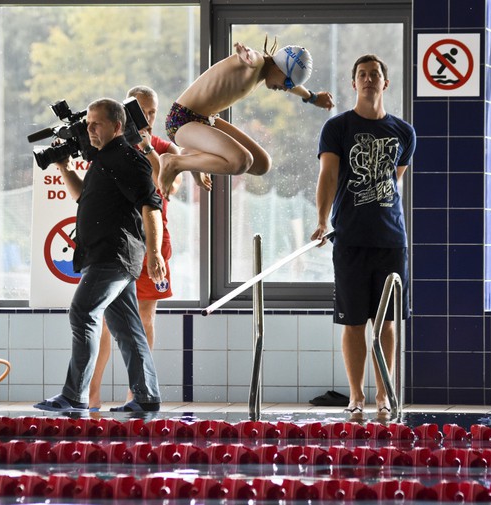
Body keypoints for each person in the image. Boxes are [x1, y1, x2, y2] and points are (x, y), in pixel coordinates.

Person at [34, 98, 165, 413]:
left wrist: (156, 252)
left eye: (96, 124)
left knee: (83, 313)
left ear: (117, 127)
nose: (88, 130)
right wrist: (65, 168)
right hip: (105, 254)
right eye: (88, 123)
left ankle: (74, 394)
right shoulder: (103, 160)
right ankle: (146, 396)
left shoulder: (127, 159)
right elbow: (83, 195)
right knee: (128, 328)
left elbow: (152, 205)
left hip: (114, 256)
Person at [311, 54, 416, 416]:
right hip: (350, 238)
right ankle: (356, 395)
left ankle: (383, 395)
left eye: (375, 74)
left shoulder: (404, 132)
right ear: (353, 83)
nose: (368, 79)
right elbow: (328, 176)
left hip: (390, 240)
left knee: (386, 322)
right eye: (362, 75)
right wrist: (322, 220)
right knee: (354, 321)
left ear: (385, 83)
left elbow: (392, 180)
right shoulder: (338, 128)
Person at [87, 85, 192, 411]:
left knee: (145, 317)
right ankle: (91, 393)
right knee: (103, 318)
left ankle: (137, 393)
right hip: (117, 242)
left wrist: (149, 149)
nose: (145, 118)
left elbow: (167, 185)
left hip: (151, 242)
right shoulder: (110, 149)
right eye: (139, 111)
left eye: (150, 112)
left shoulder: (162, 147)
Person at [158, 37, 334, 197]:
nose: (286, 88)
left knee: (262, 164)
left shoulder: (270, 71)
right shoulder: (255, 64)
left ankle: (191, 154)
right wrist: (246, 54)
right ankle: (174, 162)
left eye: (291, 85)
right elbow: (254, 58)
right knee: (241, 161)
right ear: (278, 66)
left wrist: (313, 98)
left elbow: (293, 84)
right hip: (182, 121)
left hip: (205, 120)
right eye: (287, 82)